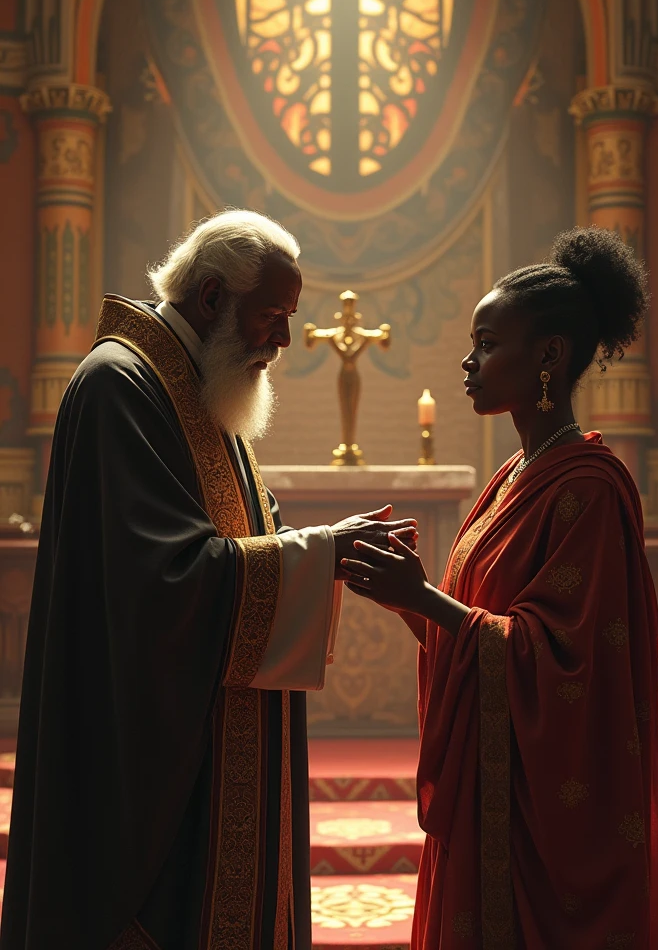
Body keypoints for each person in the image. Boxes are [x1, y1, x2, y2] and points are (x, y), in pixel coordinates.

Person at [0, 210, 417, 950]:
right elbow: (157, 584)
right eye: (274, 315)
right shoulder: (120, 386)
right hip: (139, 756)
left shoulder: (197, 388)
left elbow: (246, 535)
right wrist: (318, 553)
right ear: (212, 297)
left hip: (205, 732)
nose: (285, 340)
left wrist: (318, 550)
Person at [341, 227, 658, 949]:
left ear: (549, 357)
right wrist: (410, 598)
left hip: (544, 818)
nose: (469, 362)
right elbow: (481, 635)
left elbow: (565, 663)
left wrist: (425, 597)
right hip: (491, 795)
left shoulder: (589, 488)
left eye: (489, 344)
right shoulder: (512, 479)